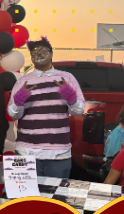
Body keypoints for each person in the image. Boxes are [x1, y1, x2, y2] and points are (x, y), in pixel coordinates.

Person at [8, 37, 85, 181]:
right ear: (31, 58)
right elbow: (13, 114)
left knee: (54, 202)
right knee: (25, 201)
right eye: (34, 53)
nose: (38, 55)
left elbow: (79, 110)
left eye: (42, 51)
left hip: (58, 154)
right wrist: (18, 102)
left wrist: (71, 99)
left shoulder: (67, 78)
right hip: (26, 152)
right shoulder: (22, 81)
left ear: (51, 54)